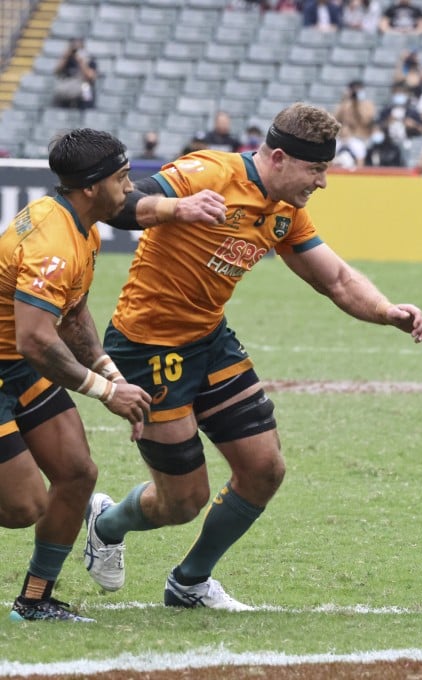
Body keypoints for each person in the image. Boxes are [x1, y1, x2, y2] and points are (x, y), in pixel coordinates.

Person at [83, 103, 422, 611]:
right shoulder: (207, 172)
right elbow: (118, 205)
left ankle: (190, 582)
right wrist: (178, 209)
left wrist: (386, 311)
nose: (323, 182)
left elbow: (334, 278)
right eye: (317, 170)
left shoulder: (286, 210)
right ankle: (106, 524)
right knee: (184, 501)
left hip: (209, 340)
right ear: (282, 158)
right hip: (147, 348)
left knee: (265, 469)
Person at [2, 129, 222, 622]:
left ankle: (33, 602)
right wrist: (103, 392)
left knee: (78, 473)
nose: (130, 190)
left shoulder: (82, 226)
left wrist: (111, 375)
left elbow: (74, 317)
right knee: (21, 507)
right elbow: (35, 338)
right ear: (89, 187)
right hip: (16, 358)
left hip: (18, 370)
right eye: (122, 179)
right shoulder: (53, 241)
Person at [52, 39, 97, 110]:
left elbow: (90, 77)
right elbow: (56, 72)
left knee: (86, 91)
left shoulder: (90, 60)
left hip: (83, 84)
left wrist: (81, 62)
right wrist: (65, 57)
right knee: (58, 89)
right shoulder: (67, 60)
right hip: (69, 85)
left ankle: (87, 112)